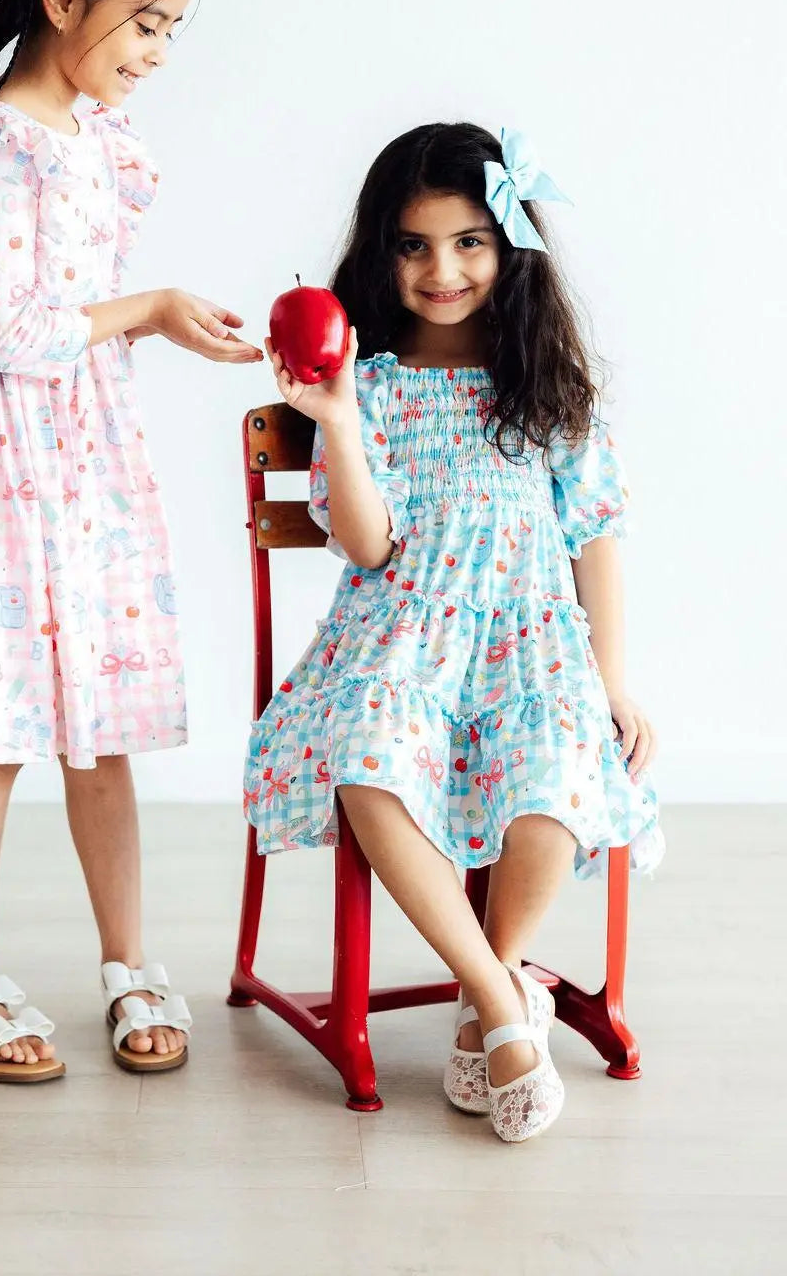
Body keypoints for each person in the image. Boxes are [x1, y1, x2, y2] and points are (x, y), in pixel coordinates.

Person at [0, 0, 261, 1084]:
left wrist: (156, 317)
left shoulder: (95, 143)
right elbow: (11, 333)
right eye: (144, 22)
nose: (156, 52)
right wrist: (147, 307)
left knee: (101, 733)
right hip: (6, 477)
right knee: (0, 731)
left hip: (85, 470)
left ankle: (126, 955)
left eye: (169, 30)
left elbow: (71, 317)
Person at [245, 124, 661, 1141]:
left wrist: (610, 679)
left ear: (510, 244)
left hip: (531, 640)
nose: (443, 269)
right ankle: (502, 998)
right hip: (400, 639)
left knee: (559, 761)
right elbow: (368, 544)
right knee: (368, 756)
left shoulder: (544, 381)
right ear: (381, 252)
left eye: (469, 241)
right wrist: (338, 418)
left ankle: (490, 992)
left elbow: (595, 535)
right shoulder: (375, 383)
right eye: (414, 245)